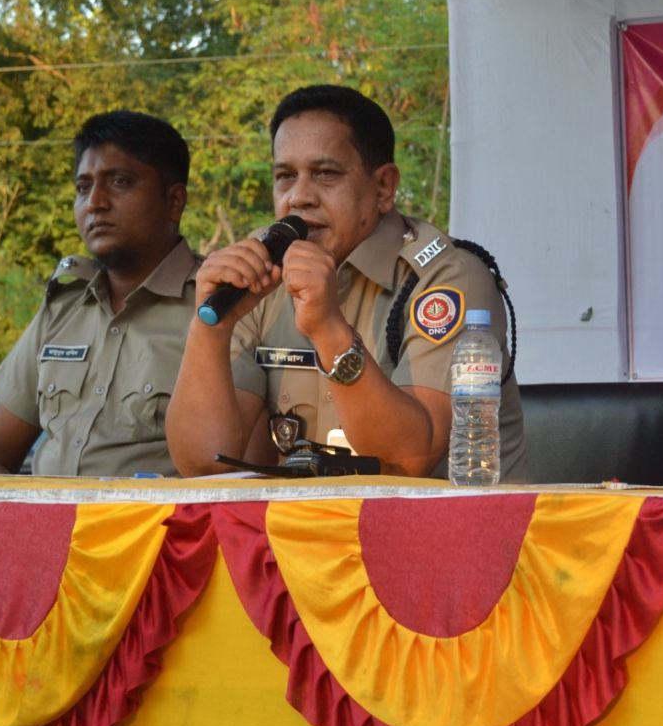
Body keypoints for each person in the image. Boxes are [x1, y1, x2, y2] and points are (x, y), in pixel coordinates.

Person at [166, 84, 528, 480]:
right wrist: (210, 329)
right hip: (308, 533)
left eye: (325, 174)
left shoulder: (447, 276)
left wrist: (328, 330)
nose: (299, 198)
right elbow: (202, 464)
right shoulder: (262, 273)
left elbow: (408, 460)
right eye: (285, 177)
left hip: (442, 532)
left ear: (383, 187)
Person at [0, 110, 200, 476]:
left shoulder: (217, 305)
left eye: (119, 182)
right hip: (46, 531)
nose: (95, 203)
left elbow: (235, 475)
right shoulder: (63, 308)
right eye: (83, 188)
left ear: (174, 201)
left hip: (155, 532)